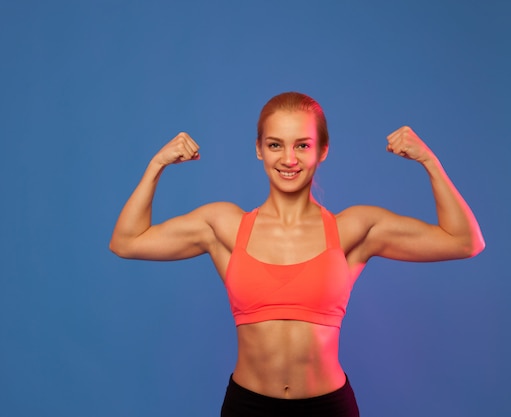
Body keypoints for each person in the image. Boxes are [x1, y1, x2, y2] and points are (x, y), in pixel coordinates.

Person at [109, 92, 485, 417]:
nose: (289, 158)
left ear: (322, 150)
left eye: (302, 145)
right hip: (248, 407)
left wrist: (429, 162)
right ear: (259, 149)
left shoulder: (352, 229)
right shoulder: (224, 226)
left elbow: (464, 241)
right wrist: (156, 165)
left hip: (327, 408)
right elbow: (127, 241)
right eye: (275, 145)